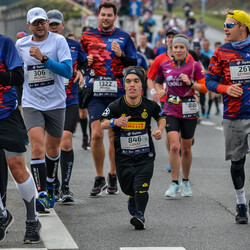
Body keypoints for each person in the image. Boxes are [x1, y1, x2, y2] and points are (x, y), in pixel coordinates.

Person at [16, 7, 72, 212]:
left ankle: (50, 184)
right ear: (29, 26)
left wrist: (44, 59)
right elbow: (14, 71)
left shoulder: (59, 41)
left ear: (48, 22)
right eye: (35, 22)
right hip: (32, 103)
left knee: (53, 149)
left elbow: (67, 70)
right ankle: (41, 193)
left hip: (56, 103)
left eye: (42, 21)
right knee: (37, 147)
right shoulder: (20, 45)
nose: (39, 25)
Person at [81, 2, 137, 196]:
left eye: (109, 15)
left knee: (114, 135)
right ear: (98, 16)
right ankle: (99, 177)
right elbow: (78, 62)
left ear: (115, 17)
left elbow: (134, 63)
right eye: (102, 14)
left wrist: (121, 55)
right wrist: (84, 62)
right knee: (96, 134)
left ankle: (113, 174)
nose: (105, 18)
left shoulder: (124, 37)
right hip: (95, 92)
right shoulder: (87, 36)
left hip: (117, 92)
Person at [100, 66, 166, 229]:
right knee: (128, 188)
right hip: (123, 157)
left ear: (141, 85)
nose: (132, 85)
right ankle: (131, 196)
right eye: (128, 81)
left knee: (142, 188)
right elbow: (102, 123)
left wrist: (160, 130)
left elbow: (161, 116)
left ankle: (139, 215)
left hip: (145, 155)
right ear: (124, 85)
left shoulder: (150, 105)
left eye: (136, 81)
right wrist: (115, 122)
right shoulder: (116, 106)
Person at [206, 9, 250, 224]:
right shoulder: (221, 52)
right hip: (233, 115)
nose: (225, 28)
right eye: (224, 24)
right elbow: (209, 81)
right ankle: (241, 203)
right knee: (237, 162)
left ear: (243, 26)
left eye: (230, 25)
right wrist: (225, 89)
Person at [155, 34, 207, 197]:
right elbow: (157, 81)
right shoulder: (164, 66)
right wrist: (159, 90)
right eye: (176, 47)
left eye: (181, 47)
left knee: (186, 148)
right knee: (174, 146)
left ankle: (185, 180)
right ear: (172, 49)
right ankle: (174, 183)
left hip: (189, 108)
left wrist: (191, 83)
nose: (178, 50)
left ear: (186, 49)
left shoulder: (194, 66)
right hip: (170, 108)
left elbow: (204, 88)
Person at [0, 34, 41, 243]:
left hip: (6, 114)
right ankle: (3, 215)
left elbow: (17, 77)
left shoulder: (4, 43)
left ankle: (32, 220)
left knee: (17, 168)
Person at [47, 9, 89, 202]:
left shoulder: (73, 45)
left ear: (63, 26)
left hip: (69, 99)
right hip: (46, 101)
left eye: (57, 24)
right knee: (50, 145)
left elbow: (84, 62)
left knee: (65, 141)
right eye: (51, 24)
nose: (54, 27)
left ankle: (65, 188)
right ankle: (52, 184)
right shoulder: (37, 45)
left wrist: (81, 71)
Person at [193, 41, 210, 118]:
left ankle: (203, 109)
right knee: (195, 97)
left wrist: (207, 71)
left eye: (198, 49)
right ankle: (198, 114)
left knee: (202, 99)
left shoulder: (205, 57)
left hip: (202, 80)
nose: (196, 50)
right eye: (195, 49)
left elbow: (211, 67)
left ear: (200, 49)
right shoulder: (191, 57)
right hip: (194, 80)